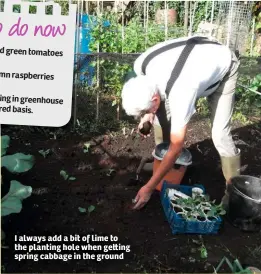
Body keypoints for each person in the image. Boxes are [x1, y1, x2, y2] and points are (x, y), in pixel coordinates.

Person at [121, 35, 241, 210]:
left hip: (223, 66)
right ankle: (161, 164)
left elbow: (177, 147)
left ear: (154, 97)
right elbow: (154, 102)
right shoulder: (142, 65)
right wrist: (147, 115)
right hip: (191, 67)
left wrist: (148, 187)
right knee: (160, 114)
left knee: (220, 135)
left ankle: (234, 193)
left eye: (147, 110)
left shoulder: (182, 91)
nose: (147, 114)